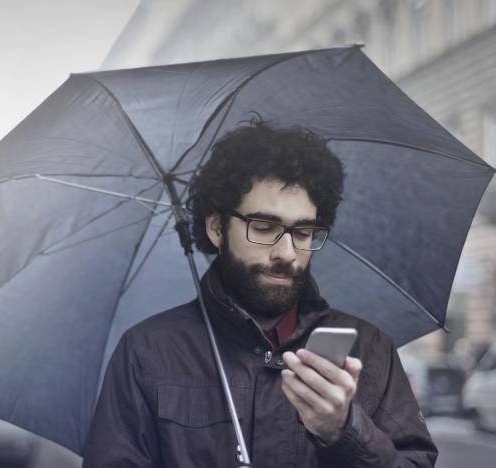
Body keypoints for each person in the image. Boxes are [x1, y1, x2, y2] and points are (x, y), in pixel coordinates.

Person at [82, 120, 438, 467]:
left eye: (303, 233)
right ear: (216, 228)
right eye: (264, 228)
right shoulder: (146, 352)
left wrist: (343, 430)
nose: (286, 253)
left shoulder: (371, 350)